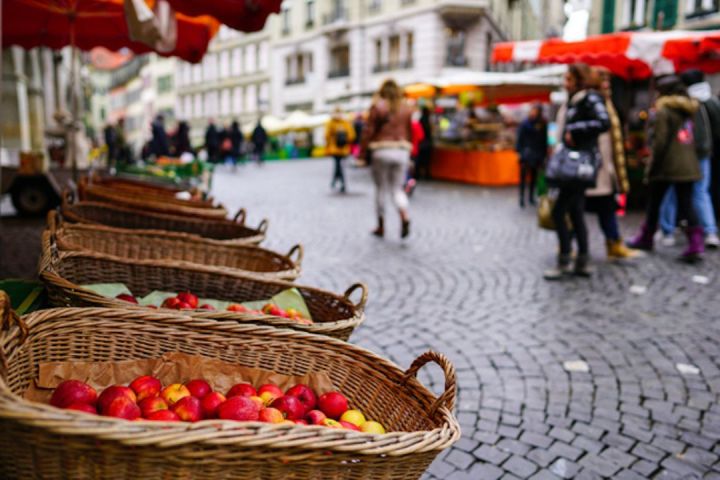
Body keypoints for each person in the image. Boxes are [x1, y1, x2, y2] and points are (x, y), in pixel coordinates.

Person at [544, 63, 610, 280]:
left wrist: (575, 130)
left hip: (577, 166)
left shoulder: (588, 98)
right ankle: (581, 259)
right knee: (575, 213)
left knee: (559, 212)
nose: (565, 84)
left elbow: (603, 122)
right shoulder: (576, 100)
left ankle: (565, 260)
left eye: (569, 79)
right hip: (574, 165)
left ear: (579, 80)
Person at [627, 75, 703, 262]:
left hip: (667, 165)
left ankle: (646, 237)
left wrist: (652, 164)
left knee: (655, 202)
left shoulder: (663, 109)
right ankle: (696, 242)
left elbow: (659, 142)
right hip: (688, 162)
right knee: (686, 203)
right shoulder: (688, 108)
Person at [658, 69, 720, 249]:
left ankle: (667, 230)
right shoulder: (710, 101)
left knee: (673, 193)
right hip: (705, 153)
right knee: (700, 192)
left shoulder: (677, 104)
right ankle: (709, 231)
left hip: (683, 155)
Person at [583, 67, 638, 260]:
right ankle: (569, 246)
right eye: (602, 80)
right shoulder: (588, 101)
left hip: (604, 167)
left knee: (606, 207)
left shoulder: (606, 103)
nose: (607, 84)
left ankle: (613, 244)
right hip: (590, 167)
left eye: (608, 80)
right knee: (577, 209)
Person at [360, 79, 413, 239]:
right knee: (397, 188)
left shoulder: (378, 106)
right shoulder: (406, 108)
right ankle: (404, 215)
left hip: (381, 149)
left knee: (380, 188)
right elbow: (410, 131)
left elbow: (368, 130)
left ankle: (381, 225)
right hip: (401, 150)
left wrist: (362, 154)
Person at [515, 104, 548, 207]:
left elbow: (545, 139)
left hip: (537, 153)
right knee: (523, 176)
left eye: (535, 110)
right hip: (526, 153)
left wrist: (544, 153)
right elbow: (520, 138)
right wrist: (520, 151)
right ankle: (521, 197)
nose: (533, 112)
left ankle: (531, 197)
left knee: (534, 176)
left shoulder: (543, 123)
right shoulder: (525, 123)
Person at [325, 107, 355, 193]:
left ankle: (336, 181)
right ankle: (340, 183)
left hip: (336, 148)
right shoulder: (345, 123)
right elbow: (351, 136)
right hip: (342, 148)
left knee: (338, 165)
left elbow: (326, 136)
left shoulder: (331, 123)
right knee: (339, 165)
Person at [416, 106, 434, 179]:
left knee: (420, 159)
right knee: (425, 159)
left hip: (422, 143)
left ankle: (418, 173)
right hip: (425, 143)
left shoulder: (420, 120)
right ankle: (424, 174)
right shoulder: (426, 120)